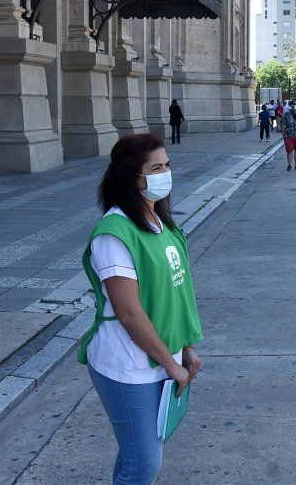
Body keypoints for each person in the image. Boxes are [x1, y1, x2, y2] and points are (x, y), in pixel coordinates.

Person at [77, 133, 203, 484]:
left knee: (136, 457)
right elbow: (129, 312)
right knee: (144, 464)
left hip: (163, 357)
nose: (166, 173)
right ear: (132, 177)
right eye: (156, 167)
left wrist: (185, 350)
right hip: (126, 367)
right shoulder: (114, 233)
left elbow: (174, 296)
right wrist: (170, 363)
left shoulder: (162, 224)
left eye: (168, 165)